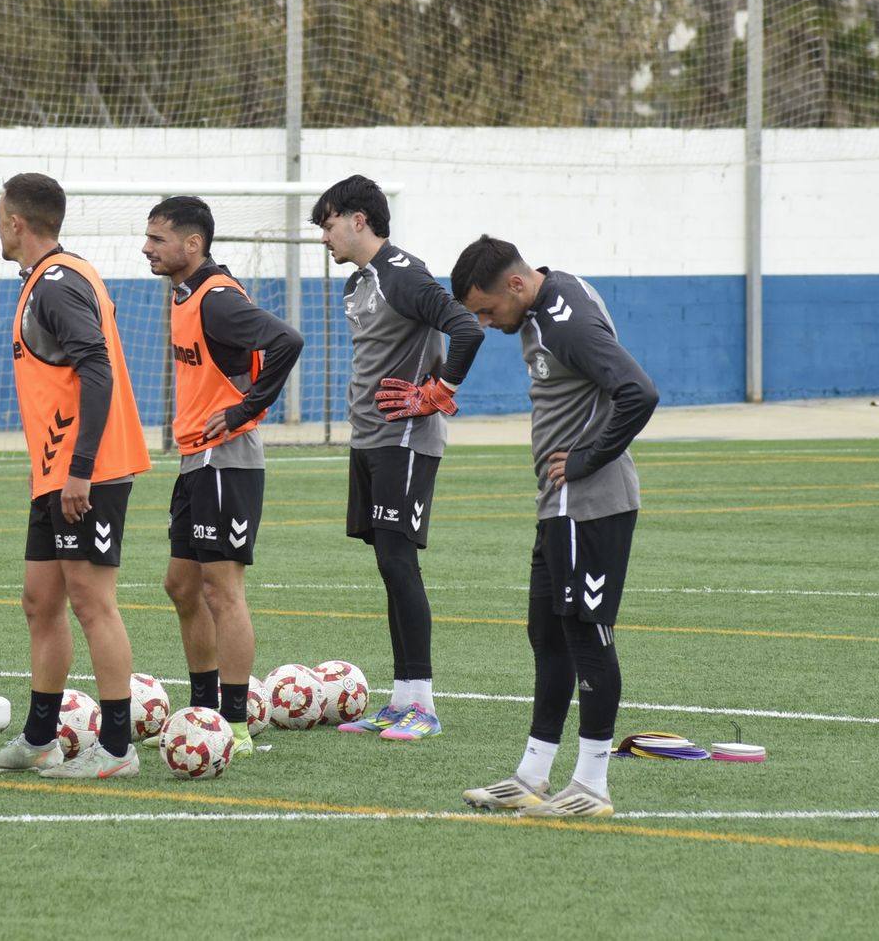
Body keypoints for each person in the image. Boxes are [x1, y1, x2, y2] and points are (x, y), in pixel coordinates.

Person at [451, 235, 658, 818]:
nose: (486, 324)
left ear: (516, 284)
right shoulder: (553, 297)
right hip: (559, 508)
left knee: (588, 635)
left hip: (589, 506)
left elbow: (638, 391)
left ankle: (592, 786)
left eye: (488, 310)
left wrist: (589, 457)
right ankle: (532, 774)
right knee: (548, 632)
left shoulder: (563, 322)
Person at [0, 173, 153, 779]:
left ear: (17, 223)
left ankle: (119, 748)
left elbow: (97, 372)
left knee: (93, 604)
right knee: (39, 601)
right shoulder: (46, 281)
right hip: (57, 475)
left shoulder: (58, 285)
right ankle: (40, 738)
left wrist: (78, 470)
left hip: (87, 476)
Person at [311, 175, 483, 742]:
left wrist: (437, 391)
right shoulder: (359, 284)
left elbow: (465, 327)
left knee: (399, 562)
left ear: (359, 219)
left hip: (404, 442)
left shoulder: (402, 274)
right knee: (388, 564)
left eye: (329, 225)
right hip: (370, 441)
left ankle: (424, 706)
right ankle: (400, 700)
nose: (325, 238)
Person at [140, 196, 303, 755]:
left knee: (222, 590)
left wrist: (243, 409)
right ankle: (204, 706)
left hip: (227, 458)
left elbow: (287, 341)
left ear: (193, 245)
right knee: (181, 585)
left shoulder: (216, 300)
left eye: (157, 239)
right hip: (196, 459)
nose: (146, 248)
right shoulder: (186, 293)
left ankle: (232, 722)